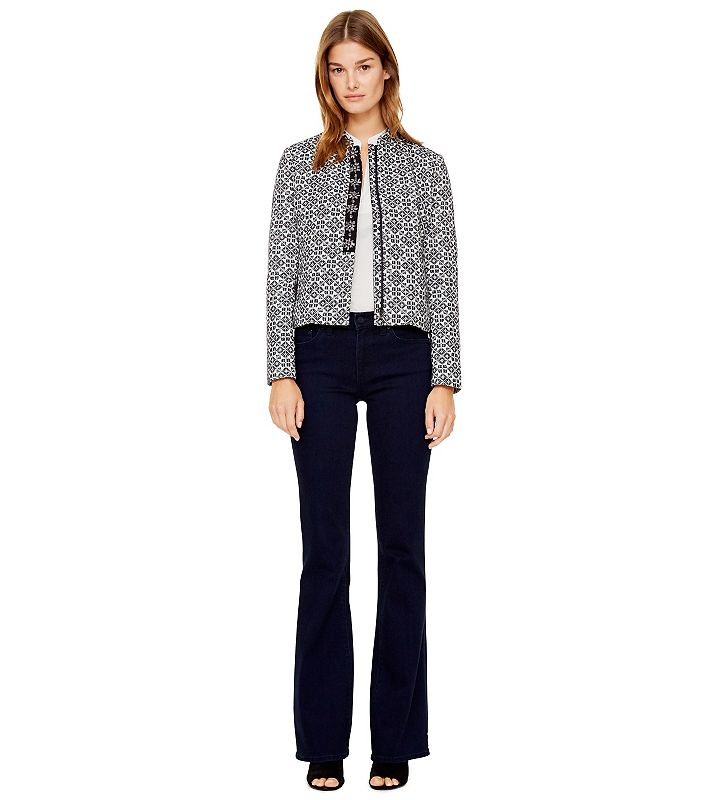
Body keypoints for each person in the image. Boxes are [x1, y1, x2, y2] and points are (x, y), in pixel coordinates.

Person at [266, 9, 461, 791]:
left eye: (363, 66)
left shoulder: (427, 167)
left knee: (402, 549)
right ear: (326, 77)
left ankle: (395, 740)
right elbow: (279, 268)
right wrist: (280, 370)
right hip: (317, 353)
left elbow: (444, 273)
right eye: (337, 69)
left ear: (387, 71)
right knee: (325, 553)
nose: (351, 82)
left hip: (403, 356)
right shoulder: (297, 163)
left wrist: (445, 377)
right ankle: (323, 740)